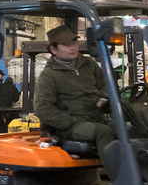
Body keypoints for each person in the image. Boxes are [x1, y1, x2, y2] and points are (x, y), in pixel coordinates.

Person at [34, 25, 117, 170]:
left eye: (74, 43)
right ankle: (120, 182)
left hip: (94, 119)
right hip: (70, 125)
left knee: (128, 129)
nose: (73, 47)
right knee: (103, 132)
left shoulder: (88, 63)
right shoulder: (49, 75)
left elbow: (106, 85)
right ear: (53, 50)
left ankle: (145, 180)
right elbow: (43, 109)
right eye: (66, 45)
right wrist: (69, 121)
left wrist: (104, 99)